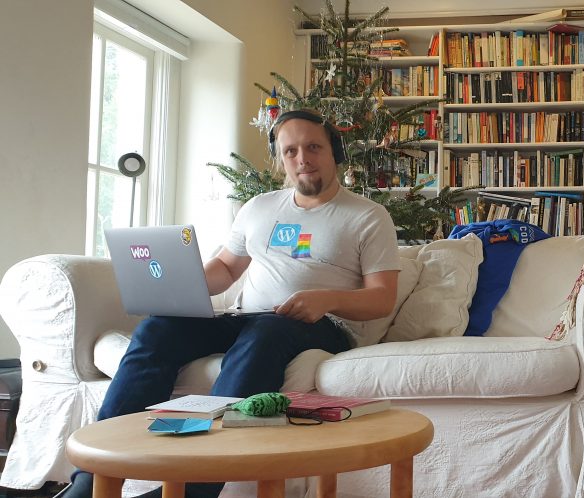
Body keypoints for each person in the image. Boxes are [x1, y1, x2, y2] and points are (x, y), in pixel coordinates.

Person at [58, 109, 400, 498]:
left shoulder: (368, 217)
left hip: (322, 327)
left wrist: (327, 300)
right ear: (280, 158)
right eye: (290, 151)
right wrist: (180, 285)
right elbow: (225, 267)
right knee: (160, 326)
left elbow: (381, 298)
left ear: (334, 151)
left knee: (265, 332)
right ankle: (95, 478)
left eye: (313, 147)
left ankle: (193, 486)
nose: (302, 158)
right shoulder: (260, 207)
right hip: (249, 318)